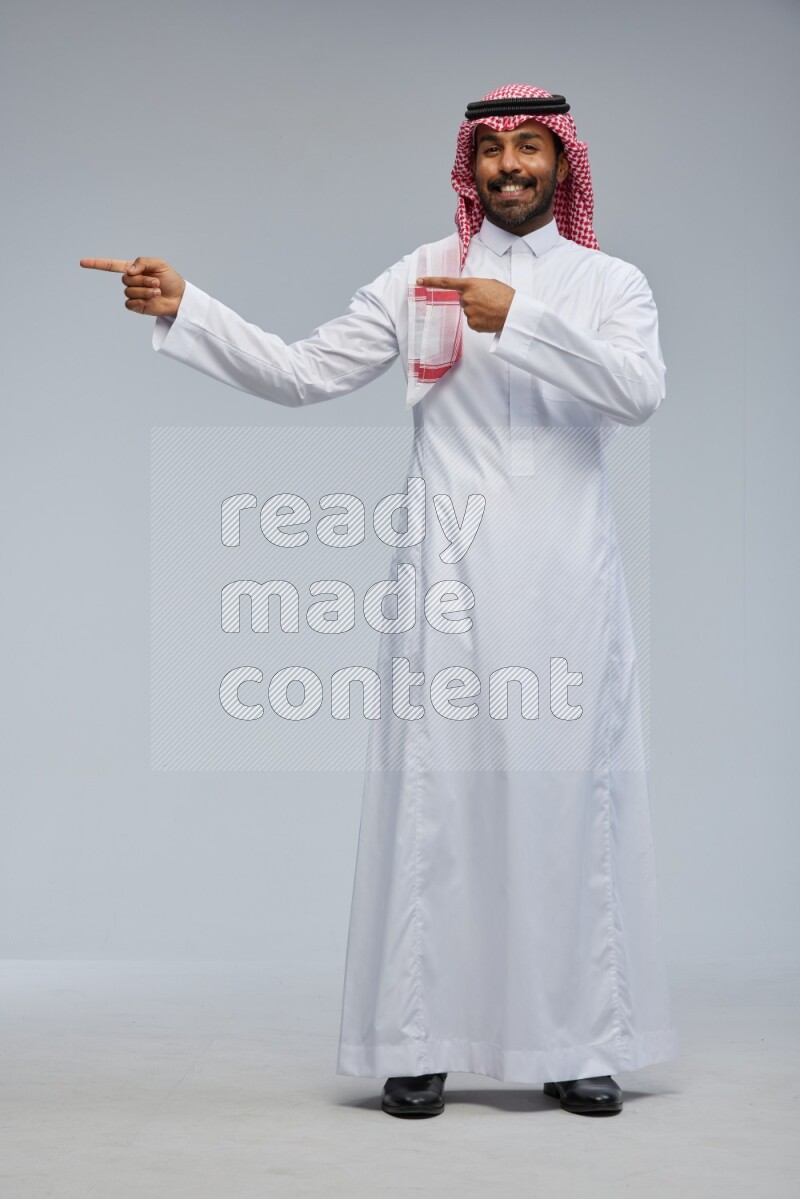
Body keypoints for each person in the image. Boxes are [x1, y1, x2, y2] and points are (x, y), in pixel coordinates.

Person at [80, 83, 679, 1119]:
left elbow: (638, 390)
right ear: (469, 166)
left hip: (565, 584)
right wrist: (188, 305)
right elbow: (304, 371)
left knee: (562, 803)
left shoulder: (608, 282)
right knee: (435, 803)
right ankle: (419, 1037)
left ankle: (574, 1041)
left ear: (561, 162)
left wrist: (520, 320)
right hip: (445, 579)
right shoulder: (422, 274)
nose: (509, 167)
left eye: (529, 148)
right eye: (491, 151)